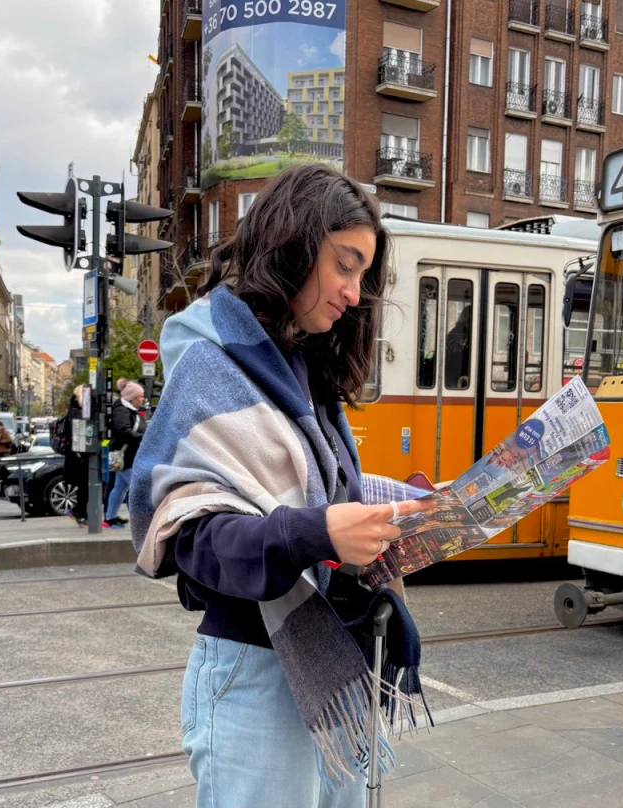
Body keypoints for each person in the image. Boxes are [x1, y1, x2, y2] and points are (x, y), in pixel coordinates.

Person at [129, 164, 428, 807]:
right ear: (294, 246)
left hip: (330, 666)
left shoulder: (305, 373)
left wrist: (412, 509)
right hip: (256, 673)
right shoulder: (212, 367)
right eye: (344, 266)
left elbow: (323, 494)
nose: (354, 293)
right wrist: (318, 534)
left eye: (363, 277)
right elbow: (194, 541)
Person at [104, 382, 145, 527]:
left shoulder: (130, 410)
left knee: (120, 488)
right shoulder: (122, 411)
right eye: (140, 396)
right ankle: (139, 520)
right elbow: (123, 431)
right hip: (124, 457)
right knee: (138, 488)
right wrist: (143, 437)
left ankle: (110, 517)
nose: (143, 399)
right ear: (132, 398)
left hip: (124, 456)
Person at [63, 387, 89, 527]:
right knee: (84, 485)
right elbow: (78, 433)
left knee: (83, 486)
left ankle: (80, 513)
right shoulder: (75, 412)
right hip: (77, 456)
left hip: (78, 455)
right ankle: (79, 513)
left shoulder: (75, 411)